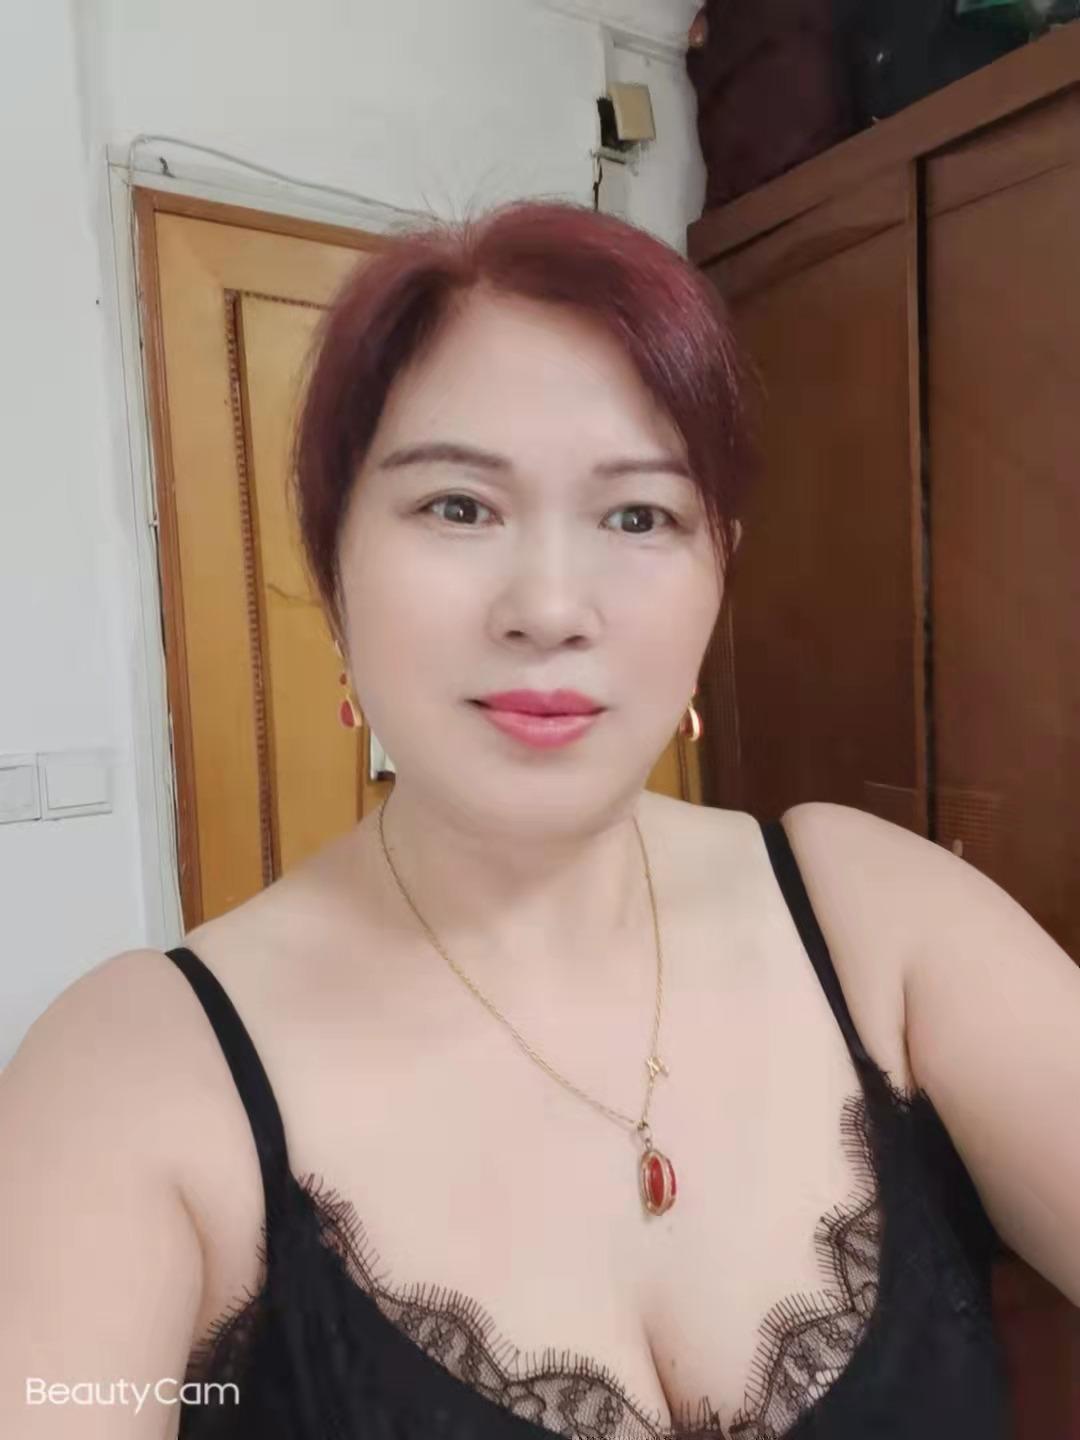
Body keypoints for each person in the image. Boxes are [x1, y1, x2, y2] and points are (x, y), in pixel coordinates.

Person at [1, 199, 1078, 1440]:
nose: (551, 607)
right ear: (333, 569)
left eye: (639, 516)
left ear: (718, 574)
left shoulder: (877, 917)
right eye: (458, 507)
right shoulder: (134, 1077)